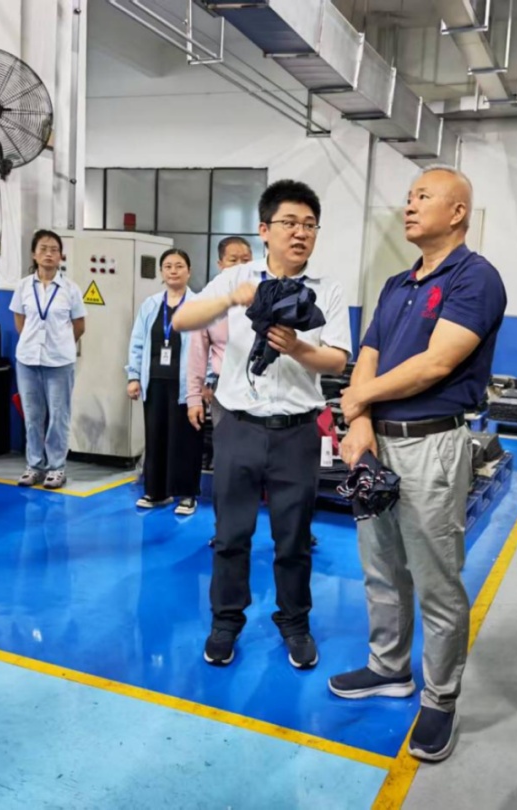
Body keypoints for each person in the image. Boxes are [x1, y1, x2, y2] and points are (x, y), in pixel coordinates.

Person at [328, 166, 506, 763]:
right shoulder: (397, 282)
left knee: (435, 578)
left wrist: (358, 399)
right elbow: (369, 352)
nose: (409, 206)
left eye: (422, 197)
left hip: (431, 445)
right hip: (377, 439)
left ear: (457, 213)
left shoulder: (475, 277)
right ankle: (389, 668)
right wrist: (359, 420)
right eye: (407, 198)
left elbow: (437, 363)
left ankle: (440, 697)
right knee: (380, 567)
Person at [172, 179, 351, 670]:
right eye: (289, 222)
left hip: (297, 431)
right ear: (265, 229)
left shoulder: (328, 289)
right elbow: (184, 319)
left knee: (294, 537)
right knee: (231, 534)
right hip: (239, 427)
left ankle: (294, 622)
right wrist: (233, 298)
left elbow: (337, 359)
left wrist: (298, 348)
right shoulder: (238, 278)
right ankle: (225, 622)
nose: (300, 233)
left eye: (309, 225)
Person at [187, 236, 253, 548]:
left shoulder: (264, 292)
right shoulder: (208, 301)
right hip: (225, 397)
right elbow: (197, 352)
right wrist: (194, 396)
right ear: (219, 264)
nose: (240, 266)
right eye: (233, 260)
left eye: (246, 259)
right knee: (228, 468)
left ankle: (294, 529)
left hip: (267, 396)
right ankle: (225, 528)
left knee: (275, 468)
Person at [126, 248, 203, 515]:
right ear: (161, 272)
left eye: (179, 266)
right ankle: (156, 492)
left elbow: (206, 345)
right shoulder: (150, 305)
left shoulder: (199, 305)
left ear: (189, 271)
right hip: (155, 382)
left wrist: (207, 381)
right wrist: (133, 376)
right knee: (156, 437)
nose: (173, 271)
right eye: (168, 266)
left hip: (187, 385)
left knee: (186, 440)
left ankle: (187, 495)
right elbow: (137, 342)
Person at [10, 230, 86, 490]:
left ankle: (56, 467)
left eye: (54, 249)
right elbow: (20, 321)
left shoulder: (70, 289)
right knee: (32, 416)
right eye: (43, 248)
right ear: (34, 254)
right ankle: (34, 465)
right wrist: (33, 342)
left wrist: (60, 344)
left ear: (61, 255)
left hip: (59, 363)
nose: (49, 254)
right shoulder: (23, 286)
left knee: (58, 416)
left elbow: (79, 326)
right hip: (27, 361)